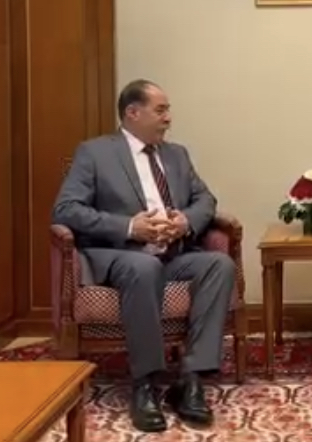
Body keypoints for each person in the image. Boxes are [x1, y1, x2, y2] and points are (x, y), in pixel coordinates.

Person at [52, 79, 236, 433]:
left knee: (219, 264)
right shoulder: (95, 153)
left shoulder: (177, 154)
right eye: (160, 110)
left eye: (168, 110)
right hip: (123, 256)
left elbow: (205, 200)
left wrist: (185, 222)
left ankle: (190, 380)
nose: (168, 118)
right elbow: (66, 209)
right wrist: (129, 227)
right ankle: (145, 384)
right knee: (144, 266)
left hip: (174, 255)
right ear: (133, 113)